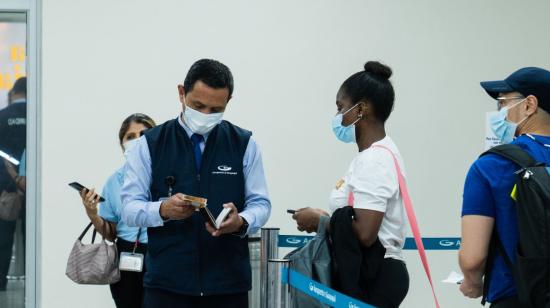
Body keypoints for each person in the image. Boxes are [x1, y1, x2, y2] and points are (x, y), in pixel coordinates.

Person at [121, 59, 271, 308]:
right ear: (181, 93)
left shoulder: (244, 144)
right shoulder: (150, 144)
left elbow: (261, 203)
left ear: (228, 101)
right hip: (167, 287)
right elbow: (129, 208)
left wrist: (242, 221)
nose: (205, 116)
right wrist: (162, 210)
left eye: (215, 110)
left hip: (228, 286)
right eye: (198, 106)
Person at [292, 61, 409, 308]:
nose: (338, 116)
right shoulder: (373, 155)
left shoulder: (375, 159)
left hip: (376, 276)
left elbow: (366, 234)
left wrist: (320, 222)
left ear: (361, 109)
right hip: (374, 272)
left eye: (340, 107)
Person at [459, 67, 550, 307]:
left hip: (516, 296)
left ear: (529, 105)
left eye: (503, 103)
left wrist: (472, 282)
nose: (499, 113)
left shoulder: (492, 165)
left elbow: (472, 259)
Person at [81, 113, 156, 308]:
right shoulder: (114, 181)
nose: (137, 140)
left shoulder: (169, 176)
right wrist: (92, 214)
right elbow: (110, 232)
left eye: (144, 133)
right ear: (122, 144)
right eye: (130, 137)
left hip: (162, 254)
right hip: (126, 254)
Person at [0, 77, 26, 291]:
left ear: (13, 92)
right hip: (34, 189)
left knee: (3, 238)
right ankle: (33, 279)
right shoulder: (38, 115)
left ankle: (1, 282)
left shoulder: (2, 116)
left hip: (5, 188)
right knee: (33, 234)